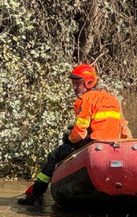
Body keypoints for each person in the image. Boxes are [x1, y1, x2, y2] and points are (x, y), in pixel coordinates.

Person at [18, 64, 131, 206]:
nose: (75, 87)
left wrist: (68, 139)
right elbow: (124, 130)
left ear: (89, 82)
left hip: (93, 146)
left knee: (53, 156)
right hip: (113, 147)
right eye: (73, 83)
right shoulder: (112, 100)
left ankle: (35, 196)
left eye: (78, 83)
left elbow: (79, 132)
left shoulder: (84, 100)